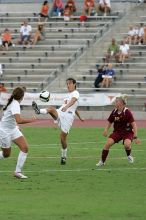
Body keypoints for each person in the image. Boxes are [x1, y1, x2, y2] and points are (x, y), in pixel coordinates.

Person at [32, 78, 84, 165]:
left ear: (74, 84)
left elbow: (73, 102)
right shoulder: (68, 95)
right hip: (61, 113)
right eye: (67, 84)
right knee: (51, 109)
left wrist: (67, 107)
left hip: (68, 117)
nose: (68, 85)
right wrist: (80, 117)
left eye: (70, 83)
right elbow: (75, 107)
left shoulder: (76, 93)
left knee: (62, 138)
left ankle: (63, 156)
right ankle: (38, 111)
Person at [0, 87, 37, 179]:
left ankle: (17, 172)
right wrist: (32, 120)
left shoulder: (13, 102)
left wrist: (16, 127)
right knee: (6, 154)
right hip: (4, 131)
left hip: (12, 129)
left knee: (25, 148)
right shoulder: (15, 104)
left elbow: (11, 119)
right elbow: (19, 120)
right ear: (22, 96)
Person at [96, 95, 141, 167]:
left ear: (121, 103)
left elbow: (134, 124)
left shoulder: (127, 112)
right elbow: (110, 122)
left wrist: (135, 136)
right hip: (117, 132)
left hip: (127, 132)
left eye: (117, 101)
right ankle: (102, 162)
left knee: (127, 145)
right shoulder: (114, 112)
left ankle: (129, 155)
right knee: (107, 144)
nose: (115, 102)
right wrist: (106, 130)